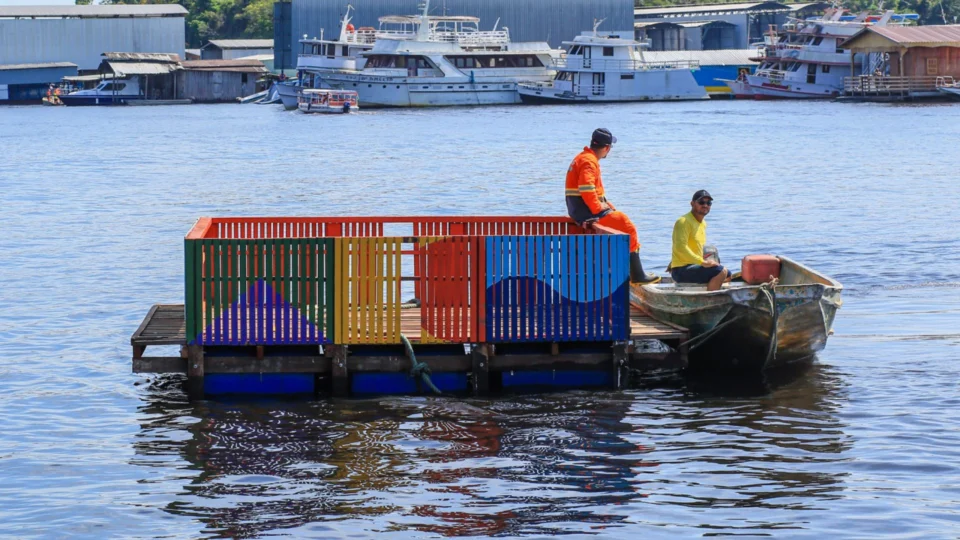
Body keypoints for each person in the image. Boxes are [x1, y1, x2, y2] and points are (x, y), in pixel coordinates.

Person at [565, 128, 659, 284]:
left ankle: (629, 271)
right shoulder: (589, 161)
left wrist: (608, 207)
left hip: (579, 211)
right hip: (588, 213)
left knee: (619, 219)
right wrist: (598, 208)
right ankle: (637, 276)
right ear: (606, 147)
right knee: (628, 227)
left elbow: (596, 192)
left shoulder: (582, 157)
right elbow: (586, 188)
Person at [668, 189, 730, 291]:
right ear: (692, 204)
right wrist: (702, 262)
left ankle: (711, 292)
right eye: (701, 202)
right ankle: (710, 300)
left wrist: (707, 261)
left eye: (708, 203)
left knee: (728, 274)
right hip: (681, 270)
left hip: (694, 266)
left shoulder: (703, 223)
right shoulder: (683, 222)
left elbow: (695, 247)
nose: (705, 205)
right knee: (721, 271)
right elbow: (680, 247)